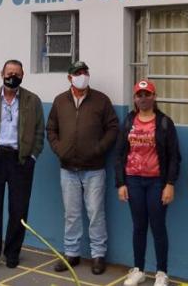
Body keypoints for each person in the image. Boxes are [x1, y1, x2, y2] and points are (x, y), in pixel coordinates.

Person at [47, 60, 119, 275]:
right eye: (78, 73)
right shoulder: (60, 101)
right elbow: (51, 128)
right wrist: (60, 149)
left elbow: (113, 128)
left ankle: (98, 255)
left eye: (85, 72)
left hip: (94, 169)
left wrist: (99, 149)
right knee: (71, 214)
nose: (83, 76)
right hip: (67, 169)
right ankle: (72, 253)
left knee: (96, 212)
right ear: (70, 77)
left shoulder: (101, 100)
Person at [0, 59, 44, 273]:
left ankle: (12, 252)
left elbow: (40, 131)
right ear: (1, 74)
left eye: (17, 73)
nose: (12, 76)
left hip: (20, 160)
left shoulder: (33, 101)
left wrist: (32, 156)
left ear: (23, 76)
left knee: (18, 210)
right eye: (9, 72)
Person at [115, 80, 181, 286]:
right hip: (133, 180)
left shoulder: (164, 123)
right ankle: (139, 269)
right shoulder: (128, 121)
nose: (143, 98)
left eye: (147, 94)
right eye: (139, 95)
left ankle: (162, 272)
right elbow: (119, 154)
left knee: (158, 226)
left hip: (156, 182)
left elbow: (174, 156)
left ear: (154, 97)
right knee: (139, 226)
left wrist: (170, 183)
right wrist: (120, 183)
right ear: (134, 98)